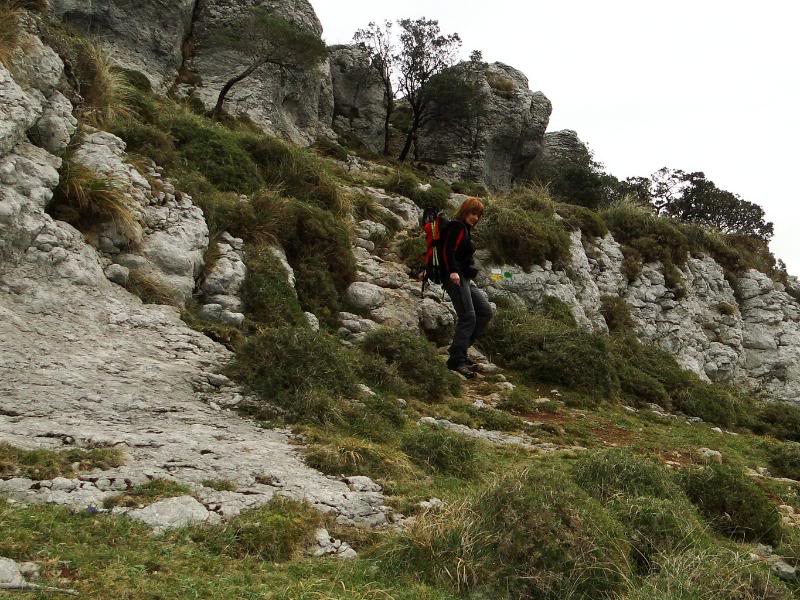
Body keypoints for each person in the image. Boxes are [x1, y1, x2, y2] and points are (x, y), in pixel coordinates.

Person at [440, 197, 493, 378]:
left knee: (485, 312)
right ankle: (457, 360)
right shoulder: (457, 227)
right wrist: (453, 271)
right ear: (464, 212)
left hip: (463, 277)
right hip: (453, 277)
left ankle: (459, 349)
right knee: (468, 316)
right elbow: (447, 250)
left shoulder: (466, 230)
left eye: (478, 215)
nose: (475, 218)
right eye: (473, 213)